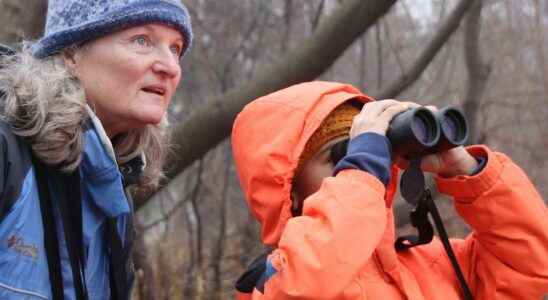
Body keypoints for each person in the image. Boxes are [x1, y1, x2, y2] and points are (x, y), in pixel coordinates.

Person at [231, 81, 548, 299]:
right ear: (289, 188)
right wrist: (362, 170)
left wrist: (468, 170)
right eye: (343, 156)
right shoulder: (274, 282)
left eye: (371, 154)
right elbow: (309, 284)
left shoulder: (439, 263)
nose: (362, 168)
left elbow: (530, 262)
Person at [0, 0, 192, 299]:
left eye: (176, 48)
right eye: (142, 40)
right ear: (71, 53)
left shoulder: (114, 182)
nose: (169, 66)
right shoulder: (6, 152)